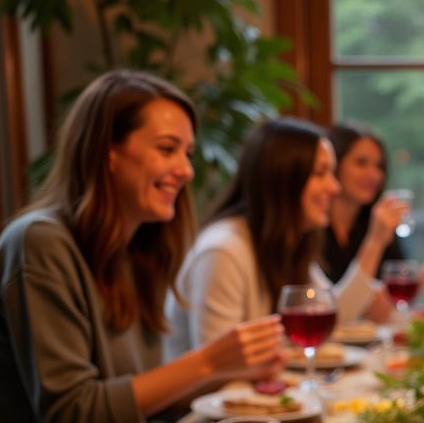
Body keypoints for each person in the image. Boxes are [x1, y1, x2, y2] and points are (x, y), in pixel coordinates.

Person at [0, 71, 283, 423]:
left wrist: (230, 369)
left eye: (186, 153)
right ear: (106, 151)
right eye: (167, 149)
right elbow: (74, 418)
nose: (187, 170)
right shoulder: (38, 243)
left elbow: (139, 398)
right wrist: (208, 362)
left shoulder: (136, 251)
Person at [167, 118, 392, 355]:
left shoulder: (290, 242)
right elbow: (218, 365)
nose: (334, 188)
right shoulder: (224, 250)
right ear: (283, 179)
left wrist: (376, 242)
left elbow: (335, 315)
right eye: (321, 173)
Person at [322, 122, 407, 323]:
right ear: (334, 164)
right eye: (361, 163)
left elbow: (396, 289)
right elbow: (329, 312)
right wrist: (375, 241)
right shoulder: (312, 225)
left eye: (378, 166)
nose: (374, 175)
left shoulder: (377, 221)